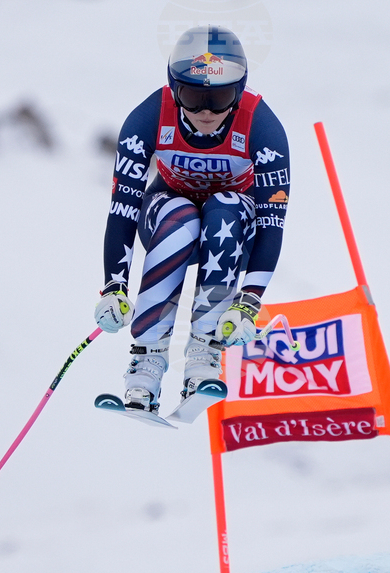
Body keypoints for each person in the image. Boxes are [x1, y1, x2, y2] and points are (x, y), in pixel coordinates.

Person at [94, 25, 290, 415]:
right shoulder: (150, 117)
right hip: (167, 221)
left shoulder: (262, 126)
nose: (206, 112)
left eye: (220, 98)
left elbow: (272, 222)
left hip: (234, 230)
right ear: (173, 89)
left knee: (224, 208)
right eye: (192, 97)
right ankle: (146, 365)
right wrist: (114, 287)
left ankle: (204, 354)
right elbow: (123, 208)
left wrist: (248, 302)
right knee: (179, 214)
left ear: (239, 91)